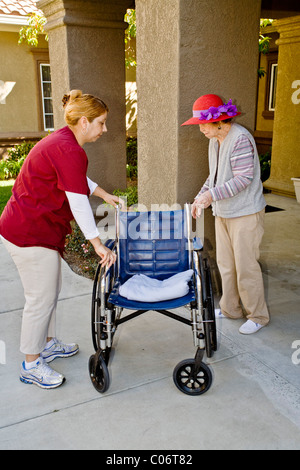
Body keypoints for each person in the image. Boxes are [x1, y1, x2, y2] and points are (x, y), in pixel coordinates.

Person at [0, 89, 121, 388]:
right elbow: (77, 202)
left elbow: (76, 178)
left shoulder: (65, 143)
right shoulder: (68, 148)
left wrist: (103, 193)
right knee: (40, 298)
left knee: (50, 291)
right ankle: (31, 363)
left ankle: (48, 344)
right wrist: (97, 244)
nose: (105, 129)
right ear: (84, 122)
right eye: (101, 123)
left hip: (37, 230)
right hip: (28, 233)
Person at [181, 94, 269, 335]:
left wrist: (211, 197)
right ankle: (231, 309)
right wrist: (201, 196)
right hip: (225, 212)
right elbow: (215, 176)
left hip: (245, 213)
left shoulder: (240, 138)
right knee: (227, 265)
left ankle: (258, 315)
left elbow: (243, 178)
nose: (200, 129)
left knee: (246, 266)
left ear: (218, 121)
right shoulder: (215, 141)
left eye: (202, 123)